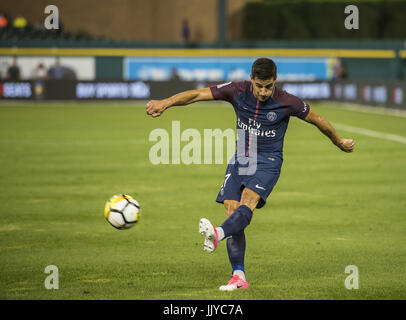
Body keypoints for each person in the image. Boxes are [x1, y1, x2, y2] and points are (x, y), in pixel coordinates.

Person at [146, 57, 355, 291]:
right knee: (231, 210)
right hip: (240, 159)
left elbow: (317, 119)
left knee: (248, 201)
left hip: (268, 161)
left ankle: (218, 233)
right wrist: (166, 102)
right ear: (251, 80)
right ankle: (239, 277)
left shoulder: (287, 101)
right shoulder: (236, 90)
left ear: (275, 81)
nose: (264, 92)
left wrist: (338, 141)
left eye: (269, 86)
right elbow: (196, 95)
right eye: (259, 86)